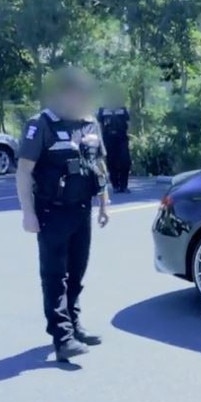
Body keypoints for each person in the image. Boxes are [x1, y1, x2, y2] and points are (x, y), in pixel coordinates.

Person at [15, 66, 110, 362]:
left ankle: (73, 324)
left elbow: (98, 164)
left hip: (81, 210)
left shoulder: (90, 123)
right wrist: (27, 213)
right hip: (51, 212)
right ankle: (62, 337)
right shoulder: (41, 123)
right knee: (55, 275)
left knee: (77, 273)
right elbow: (23, 171)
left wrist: (105, 202)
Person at [97, 91, 132, 193]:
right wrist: (100, 141)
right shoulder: (102, 110)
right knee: (112, 162)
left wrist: (129, 136)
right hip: (108, 139)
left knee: (125, 162)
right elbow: (99, 125)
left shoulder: (122, 109)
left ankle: (124, 185)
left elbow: (128, 123)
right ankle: (116, 185)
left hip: (122, 138)